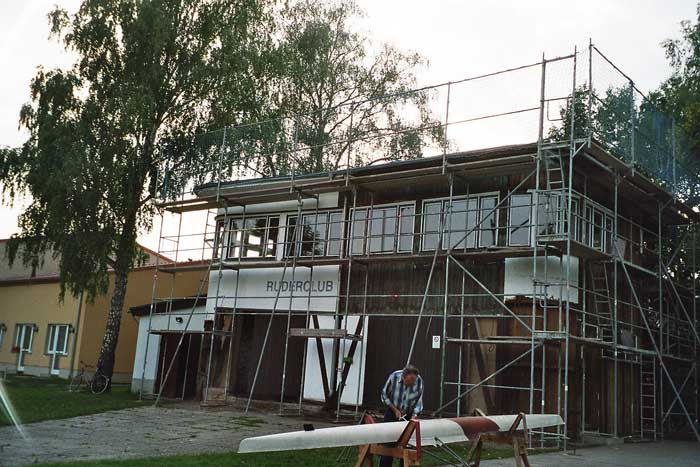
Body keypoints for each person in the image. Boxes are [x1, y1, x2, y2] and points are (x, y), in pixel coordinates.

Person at [379, 365, 424, 467]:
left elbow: (419, 402)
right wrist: (395, 409)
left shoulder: (419, 381)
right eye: (408, 382)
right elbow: (384, 395)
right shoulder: (393, 377)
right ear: (403, 377)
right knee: (388, 445)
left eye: (413, 383)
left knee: (407, 445)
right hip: (392, 412)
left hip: (408, 415)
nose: (410, 385)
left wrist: (414, 416)